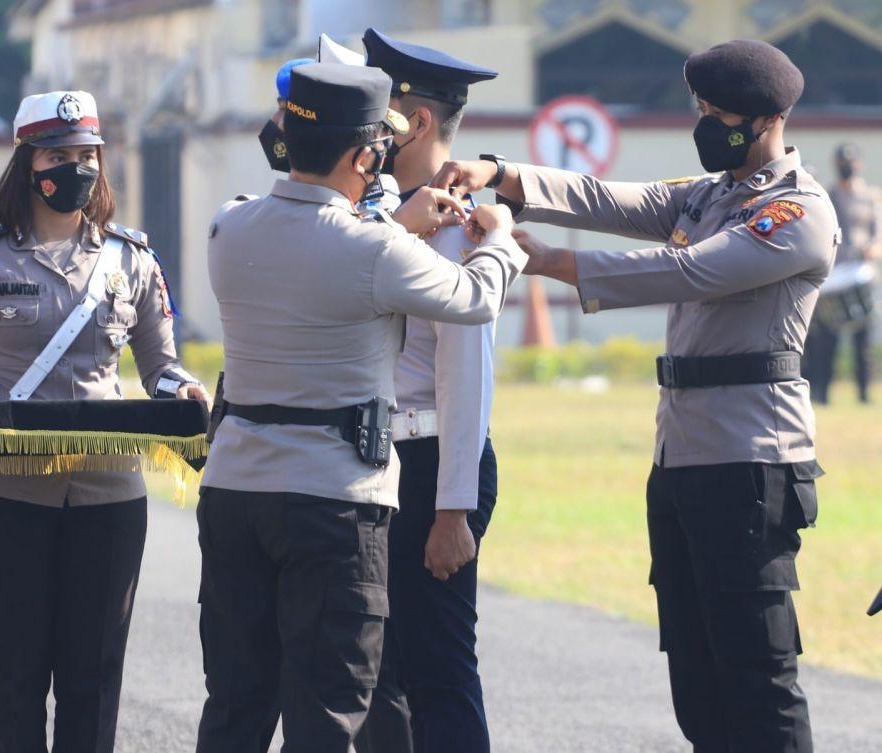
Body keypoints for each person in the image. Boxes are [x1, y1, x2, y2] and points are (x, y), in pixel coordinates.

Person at [431, 39, 838, 753]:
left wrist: (548, 261)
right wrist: (500, 173)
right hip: (681, 458)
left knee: (757, 676)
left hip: (751, 464)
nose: (706, 123)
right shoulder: (710, 195)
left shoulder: (796, 214)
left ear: (770, 118)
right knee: (698, 679)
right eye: (701, 109)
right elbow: (608, 198)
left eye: (721, 114)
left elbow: (686, 272)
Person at [196, 62, 528, 753]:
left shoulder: (229, 225)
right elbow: (474, 300)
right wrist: (498, 240)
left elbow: (321, 249)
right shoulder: (374, 247)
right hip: (331, 499)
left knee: (236, 702)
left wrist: (393, 224)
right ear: (366, 154)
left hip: (233, 489)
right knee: (329, 712)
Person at [0, 90, 207, 753]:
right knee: (14, 683)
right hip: (6, 496)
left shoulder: (132, 260)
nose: (74, 168)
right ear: (28, 162)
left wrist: (185, 386)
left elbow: (162, 365)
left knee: (94, 681)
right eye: (58, 155)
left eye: (86, 156)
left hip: (108, 496)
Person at [352, 28, 501, 753]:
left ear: (412, 122)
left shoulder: (457, 228)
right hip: (382, 459)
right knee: (379, 675)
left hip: (431, 463)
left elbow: (464, 374)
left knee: (438, 672)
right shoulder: (384, 214)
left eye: (377, 116)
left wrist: (454, 509)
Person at [803, 143, 879, 404]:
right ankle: (822, 393)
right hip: (835, 276)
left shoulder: (871, 196)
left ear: (859, 164)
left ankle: (864, 394)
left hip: (860, 273)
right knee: (827, 339)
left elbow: (877, 235)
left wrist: (872, 249)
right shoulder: (830, 195)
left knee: (863, 341)